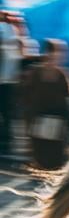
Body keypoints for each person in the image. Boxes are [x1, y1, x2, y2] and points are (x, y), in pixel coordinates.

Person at [19, 39, 69, 170]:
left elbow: (67, 100)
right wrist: (29, 119)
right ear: (48, 53)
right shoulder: (35, 74)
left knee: (54, 157)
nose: (60, 55)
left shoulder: (63, 74)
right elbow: (26, 97)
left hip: (57, 120)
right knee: (41, 154)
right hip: (38, 119)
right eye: (58, 52)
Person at [0, 11, 21, 160]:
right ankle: (7, 144)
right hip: (9, 81)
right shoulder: (12, 31)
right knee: (8, 115)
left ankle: (6, 144)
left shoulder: (7, 30)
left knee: (7, 115)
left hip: (6, 81)